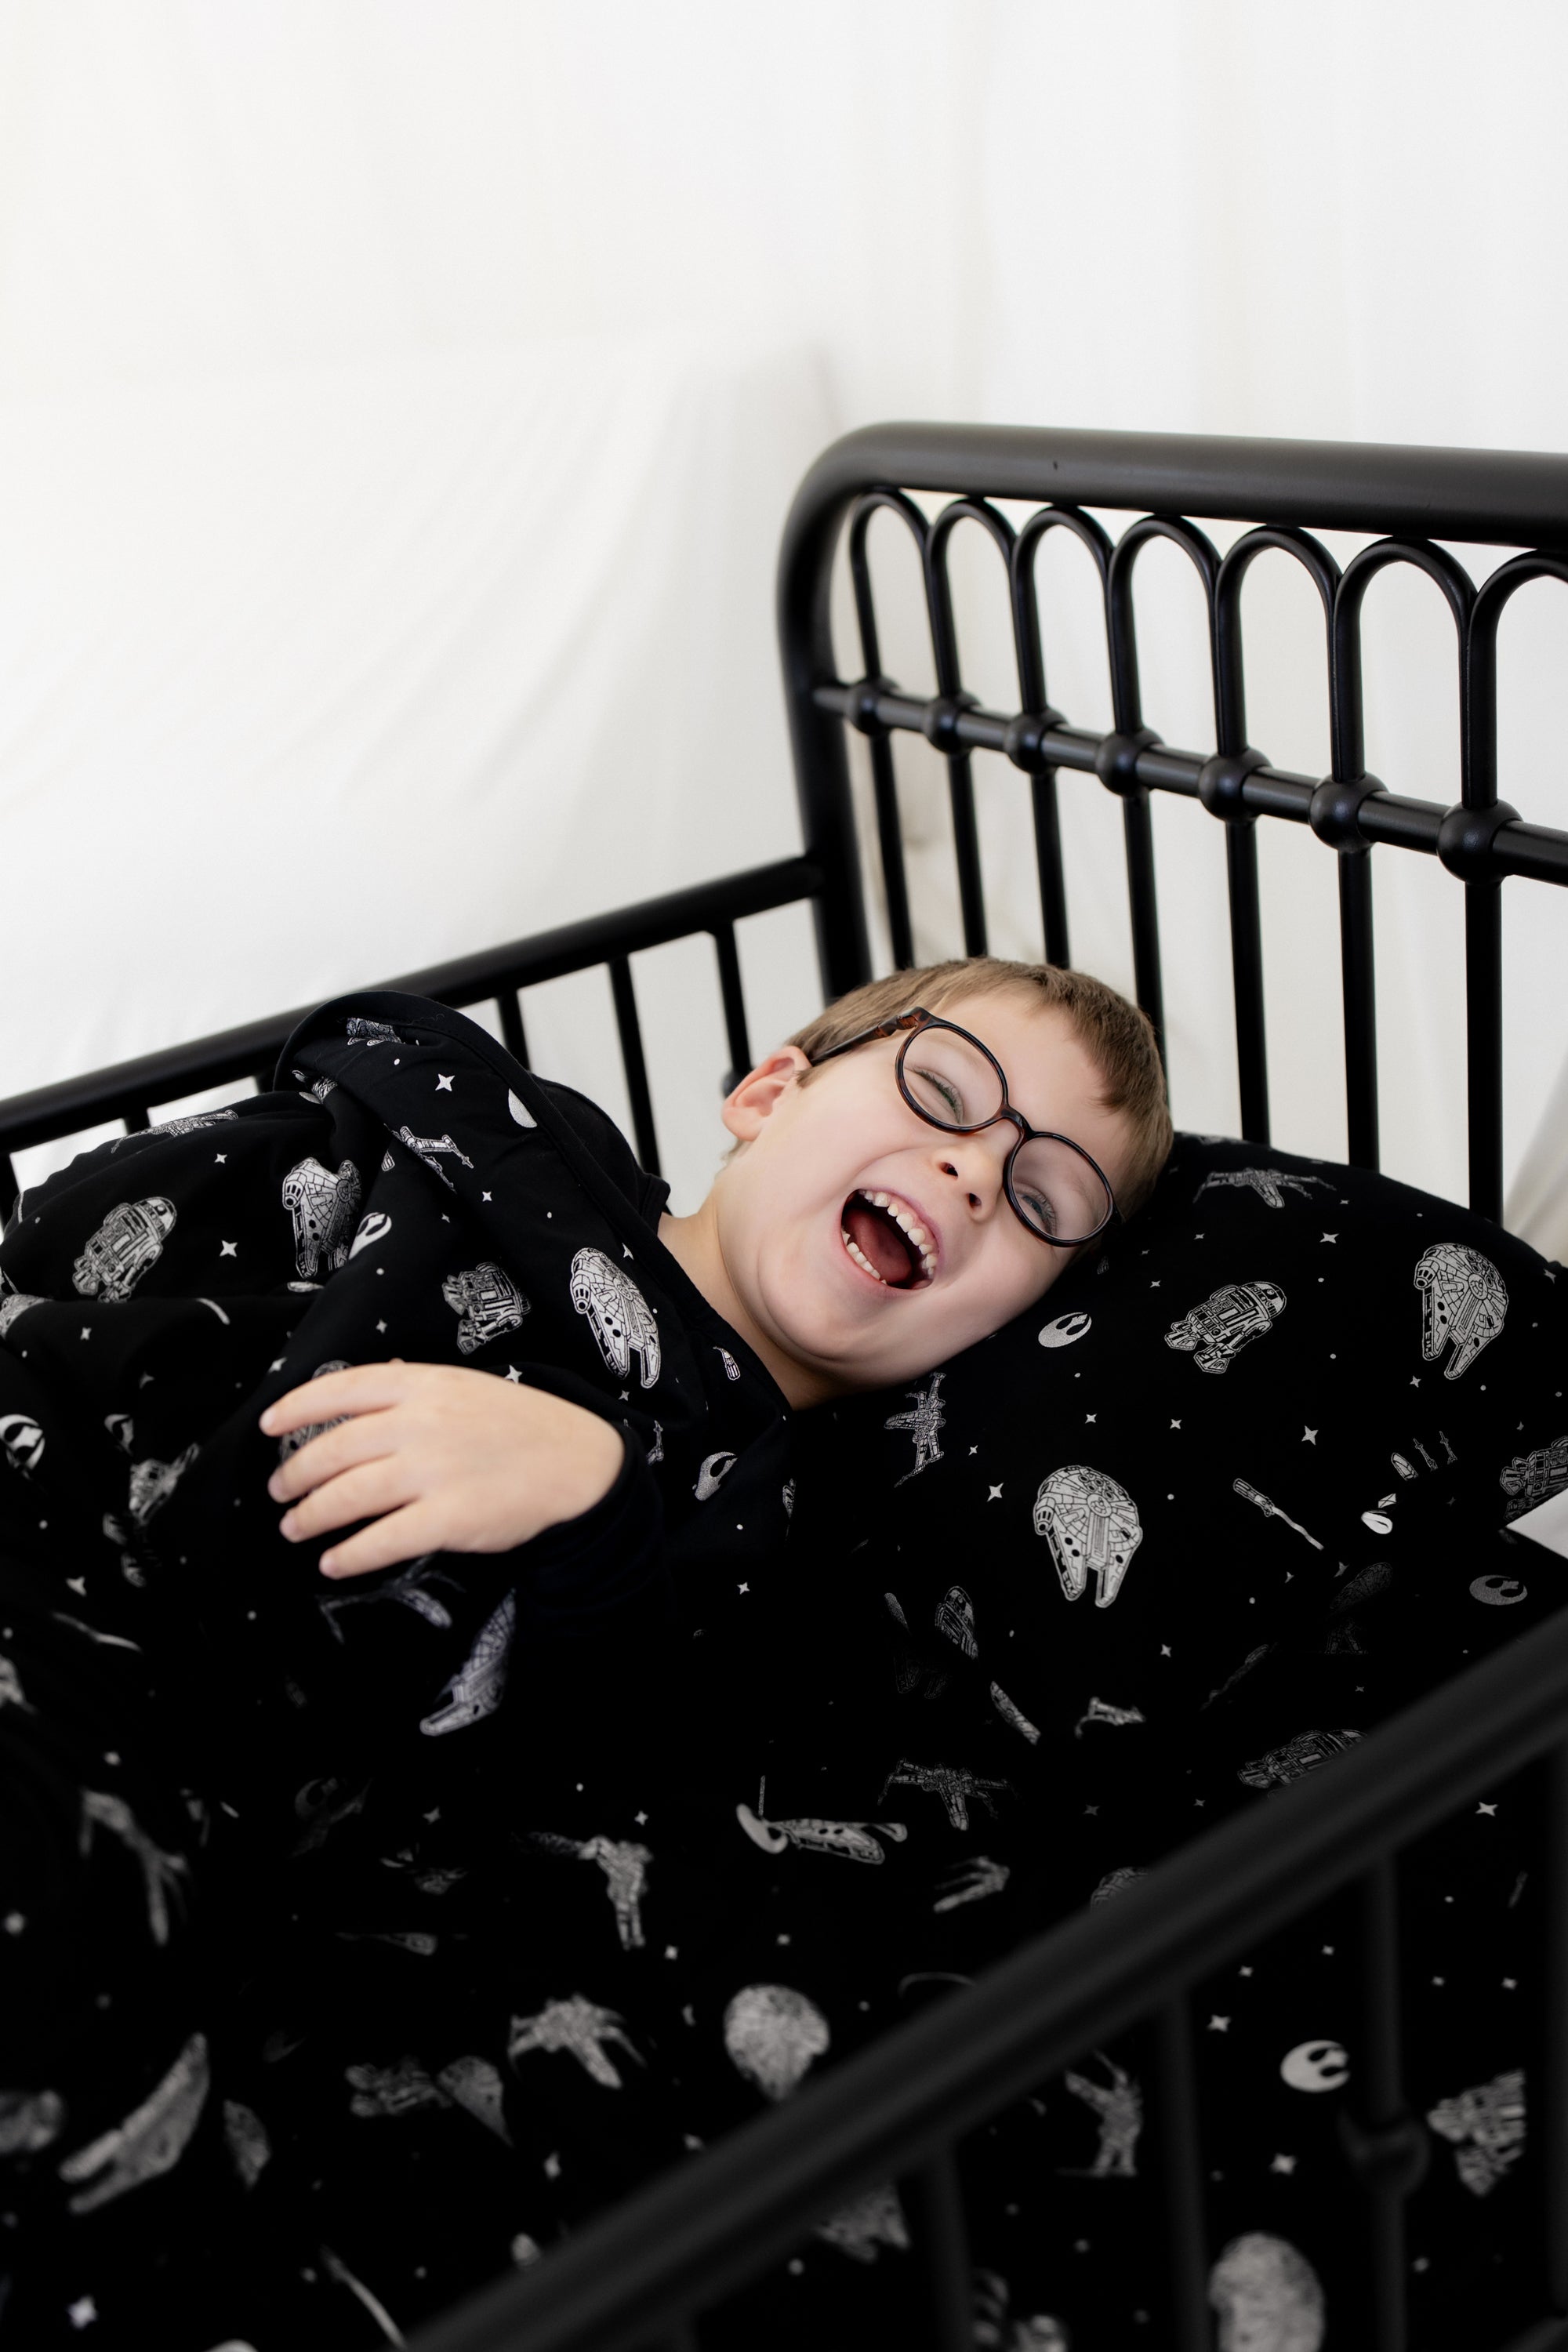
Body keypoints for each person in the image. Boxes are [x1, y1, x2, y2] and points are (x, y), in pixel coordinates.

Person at [0, 954, 1168, 2349]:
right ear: (771, 1088)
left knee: (86, 1983)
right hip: (52, 1544)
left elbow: (608, 1783)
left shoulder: (810, 1555)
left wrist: (600, 1503)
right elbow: (105, 1241)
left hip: (197, 1780)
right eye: (943, 1088)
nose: (980, 1172)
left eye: (1046, 1199)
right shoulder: (480, 1155)